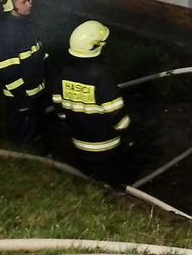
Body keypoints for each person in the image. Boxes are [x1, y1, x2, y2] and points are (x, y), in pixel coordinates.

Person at [52, 20, 132, 187]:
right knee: (110, 184)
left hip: (79, 142)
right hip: (106, 145)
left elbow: (59, 109)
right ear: (97, 47)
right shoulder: (102, 77)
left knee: (88, 180)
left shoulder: (64, 72)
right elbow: (115, 115)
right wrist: (128, 131)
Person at [0, 0, 50, 152]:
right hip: (21, 98)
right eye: (24, 2)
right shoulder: (8, 34)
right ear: (11, 5)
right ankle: (20, 164)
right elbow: (7, 71)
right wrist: (21, 100)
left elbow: (40, 55)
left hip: (36, 93)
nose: (29, 4)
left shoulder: (26, 24)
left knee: (39, 132)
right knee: (23, 136)